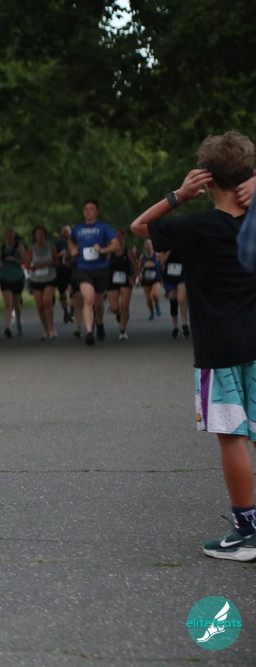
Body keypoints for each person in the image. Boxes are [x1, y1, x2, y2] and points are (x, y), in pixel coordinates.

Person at [130, 130, 256, 562]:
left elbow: (140, 227)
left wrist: (179, 196)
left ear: (207, 179)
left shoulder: (196, 227)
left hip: (219, 350)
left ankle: (248, 532)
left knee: (233, 437)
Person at [70, 200, 119, 345]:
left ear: (97, 212)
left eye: (91, 209)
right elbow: (71, 240)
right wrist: (73, 249)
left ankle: (99, 322)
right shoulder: (77, 228)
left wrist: (103, 250)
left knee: (98, 304)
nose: (88, 212)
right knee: (88, 299)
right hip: (83, 268)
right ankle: (89, 332)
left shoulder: (104, 227)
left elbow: (115, 244)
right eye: (86, 209)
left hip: (100, 268)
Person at [25, 225, 58, 340]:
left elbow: (57, 261)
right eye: (38, 234)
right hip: (36, 279)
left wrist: (50, 263)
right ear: (34, 236)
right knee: (40, 306)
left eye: (42, 234)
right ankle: (46, 329)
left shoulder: (51, 246)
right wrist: (38, 266)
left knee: (47, 301)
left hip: (50, 277)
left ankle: (52, 328)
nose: (40, 236)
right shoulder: (31, 249)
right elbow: (27, 265)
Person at [106, 229, 138, 341]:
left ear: (124, 238)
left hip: (126, 279)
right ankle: (118, 314)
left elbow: (135, 267)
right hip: (112, 280)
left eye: (120, 236)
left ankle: (123, 330)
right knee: (114, 307)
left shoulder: (128, 252)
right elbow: (104, 266)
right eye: (115, 236)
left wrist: (134, 277)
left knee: (125, 305)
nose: (118, 238)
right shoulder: (109, 252)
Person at [0, 227, 25, 338]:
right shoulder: (2, 247)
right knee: (8, 303)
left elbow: (25, 260)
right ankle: (8, 327)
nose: (8, 236)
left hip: (17, 277)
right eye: (6, 234)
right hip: (5, 277)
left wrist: (14, 260)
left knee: (16, 304)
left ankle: (19, 323)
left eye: (10, 234)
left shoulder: (19, 247)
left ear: (14, 235)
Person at [161, 250, 189, 338]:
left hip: (182, 274)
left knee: (181, 299)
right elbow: (161, 263)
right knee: (173, 300)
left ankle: (184, 324)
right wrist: (168, 251)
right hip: (170, 275)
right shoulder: (166, 246)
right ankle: (175, 326)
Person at [54, 225, 75, 324]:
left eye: (67, 231)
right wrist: (61, 254)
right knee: (62, 292)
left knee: (72, 290)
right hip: (61, 270)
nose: (66, 233)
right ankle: (66, 311)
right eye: (64, 231)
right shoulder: (57, 243)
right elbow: (53, 256)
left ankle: (72, 312)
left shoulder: (74, 242)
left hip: (73, 269)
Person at [138, 238, 162, 320]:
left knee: (154, 294)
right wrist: (140, 274)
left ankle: (157, 305)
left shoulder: (157, 256)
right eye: (147, 245)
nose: (148, 247)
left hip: (156, 278)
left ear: (152, 246)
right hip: (146, 279)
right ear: (144, 246)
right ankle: (152, 312)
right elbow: (139, 268)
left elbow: (162, 265)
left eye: (150, 245)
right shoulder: (142, 257)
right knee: (148, 299)